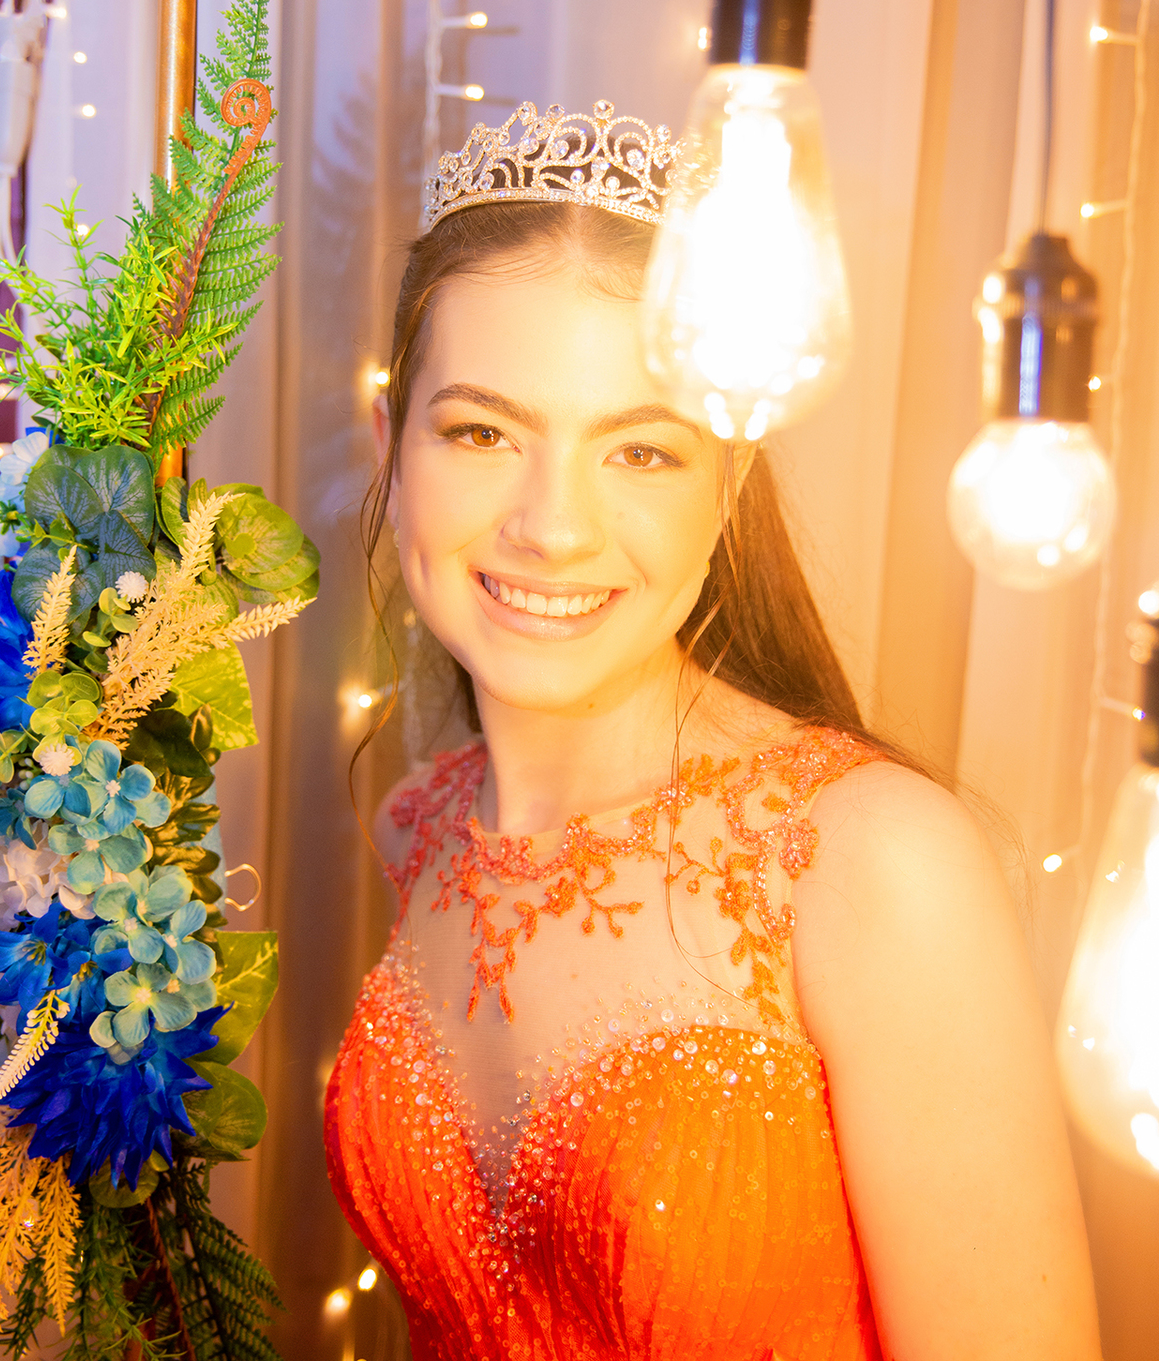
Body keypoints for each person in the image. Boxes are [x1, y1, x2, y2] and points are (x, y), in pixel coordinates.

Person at [325, 100, 1102, 1361]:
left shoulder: (869, 863)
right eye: (482, 431)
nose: (553, 527)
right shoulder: (416, 827)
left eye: (641, 453)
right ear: (391, 448)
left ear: (731, 487)